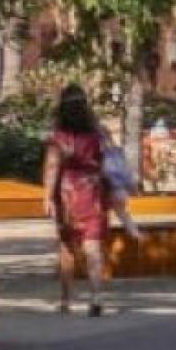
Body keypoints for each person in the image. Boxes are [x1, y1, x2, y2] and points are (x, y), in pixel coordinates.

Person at [44, 83, 126, 316]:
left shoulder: (58, 137)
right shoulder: (99, 134)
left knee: (67, 248)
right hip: (94, 194)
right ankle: (96, 296)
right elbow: (111, 160)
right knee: (93, 247)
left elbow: (52, 166)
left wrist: (48, 196)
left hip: (68, 195)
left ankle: (66, 300)